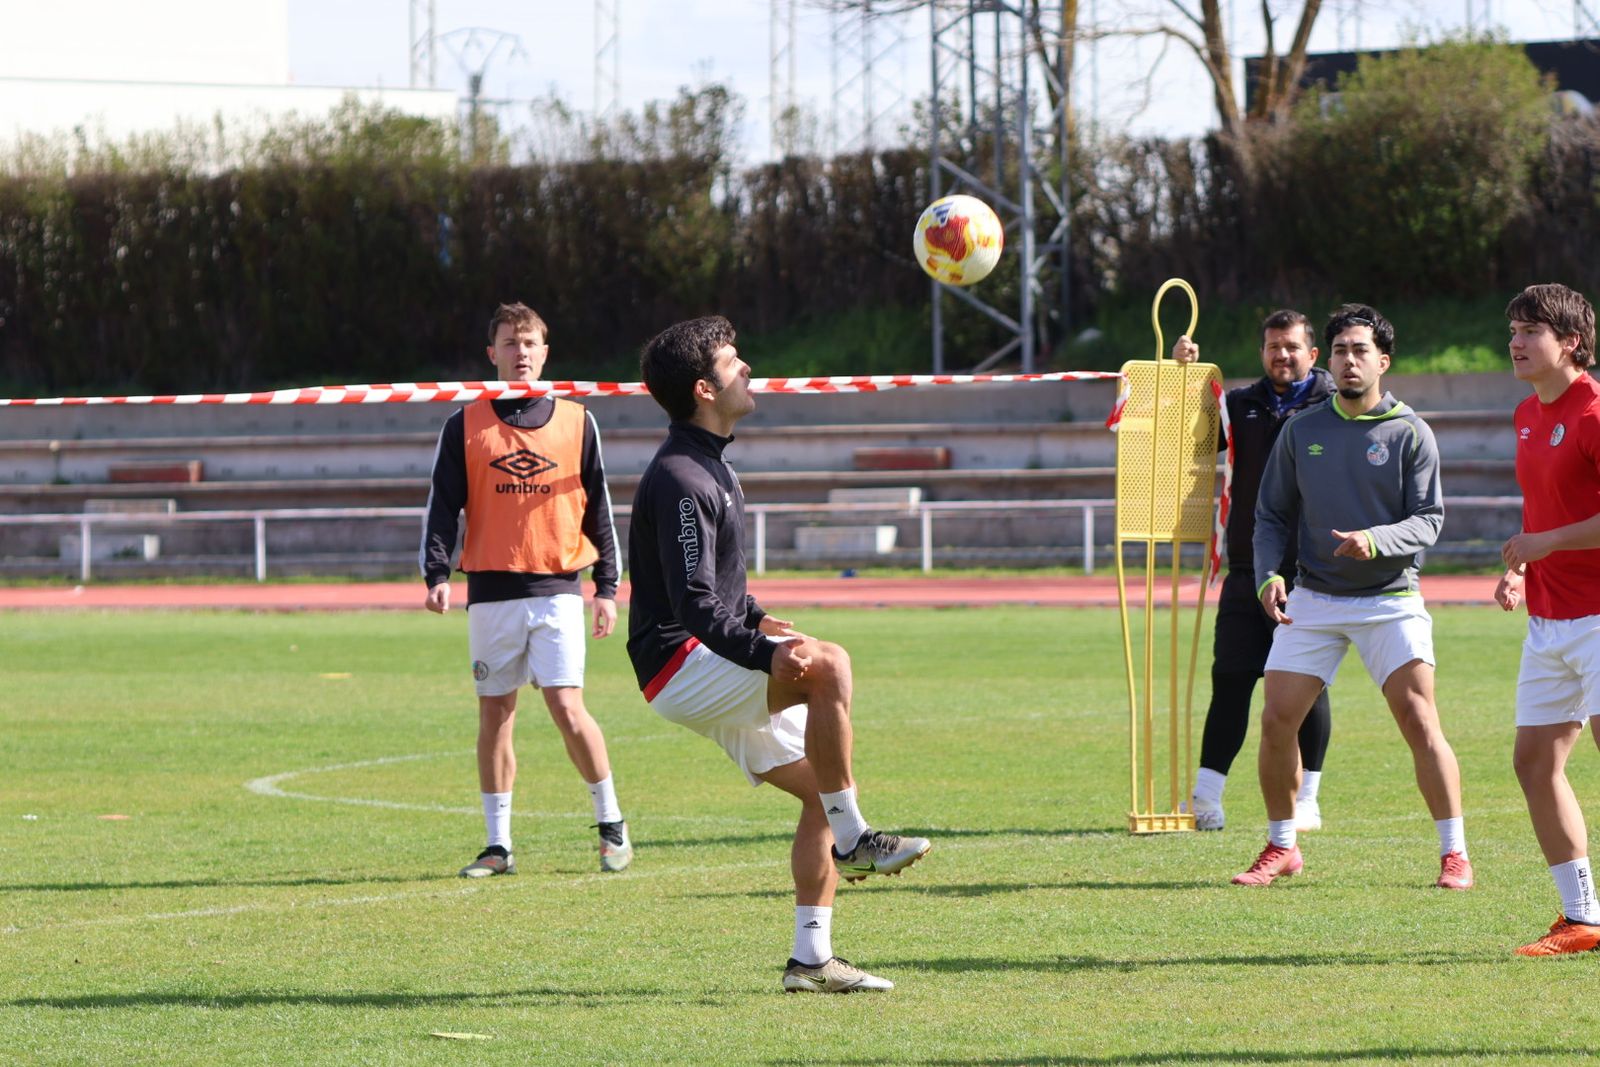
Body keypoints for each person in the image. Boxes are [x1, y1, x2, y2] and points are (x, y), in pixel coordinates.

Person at [628, 315, 930, 994]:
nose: (748, 369)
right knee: (830, 663)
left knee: (822, 786)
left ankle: (811, 961)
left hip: (701, 655)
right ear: (704, 387)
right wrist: (760, 653)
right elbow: (692, 604)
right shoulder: (682, 475)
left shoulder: (707, 461)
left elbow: (716, 585)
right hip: (678, 665)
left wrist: (758, 617)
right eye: (736, 361)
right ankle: (856, 841)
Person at [1234, 303, 1473, 890]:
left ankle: (1455, 853)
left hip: (1391, 597)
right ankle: (1282, 845)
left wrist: (1375, 539)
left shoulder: (1410, 432)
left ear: (1383, 361)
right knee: (1274, 721)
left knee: (1420, 721)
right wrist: (1269, 574)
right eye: (1339, 350)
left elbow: (1428, 521)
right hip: (1315, 597)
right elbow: (1270, 515)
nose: (1348, 360)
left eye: (1360, 350)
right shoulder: (1302, 429)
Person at [420, 301, 633, 878]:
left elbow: (600, 510)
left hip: (558, 589)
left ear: (545, 352)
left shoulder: (577, 420)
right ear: (492, 354)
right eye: (510, 343)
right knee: (496, 715)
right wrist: (436, 574)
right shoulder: (463, 424)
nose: (521, 353)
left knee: (567, 708)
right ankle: (498, 846)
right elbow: (443, 507)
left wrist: (607, 586)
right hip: (490, 593)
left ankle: (612, 824)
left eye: (531, 343)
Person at [1173, 311, 1335, 833]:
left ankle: (1308, 798)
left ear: (1312, 354)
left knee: (1306, 687)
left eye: (1291, 346)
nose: (1280, 355)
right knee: (1230, 680)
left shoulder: (1334, 404)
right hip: (1246, 567)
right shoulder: (1241, 403)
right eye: (1271, 346)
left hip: (1308, 572)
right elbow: (1191, 442)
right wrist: (1182, 377)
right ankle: (1205, 797)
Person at [1496, 283, 1600, 954]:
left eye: (1531, 329)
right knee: (1534, 762)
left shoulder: (1594, 413)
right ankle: (1583, 916)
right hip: (1549, 619)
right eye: (1513, 328)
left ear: (1570, 342)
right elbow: (1545, 513)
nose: (1516, 340)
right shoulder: (1527, 414)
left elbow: (1559, 527)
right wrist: (1521, 565)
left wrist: (1547, 544)